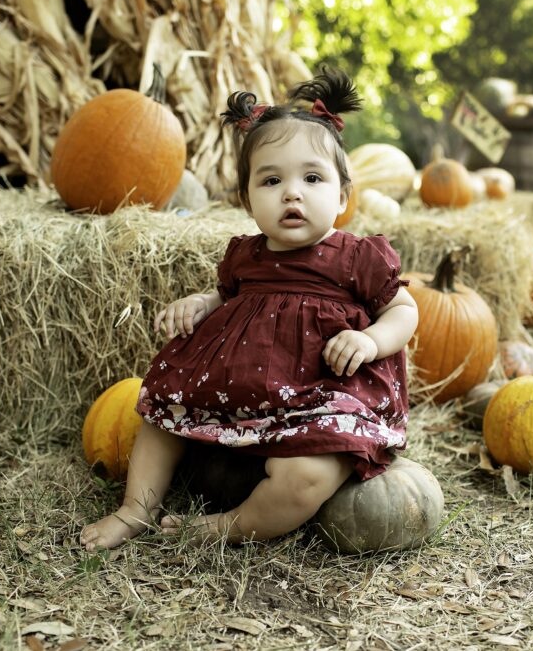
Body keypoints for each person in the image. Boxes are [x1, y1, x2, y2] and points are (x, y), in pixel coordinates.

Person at [81, 68, 419, 551]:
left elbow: (405, 311)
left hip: (323, 393)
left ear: (342, 195)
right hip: (239, 387)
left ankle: (228, 526)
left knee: (306, 476)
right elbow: (227, 298)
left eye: (312, 177)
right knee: (160, 415)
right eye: (272, 180)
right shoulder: (246, 254)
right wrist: (199, 304)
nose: (292, 192)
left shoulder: (357, 257)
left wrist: (370, 340)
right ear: (247, 199)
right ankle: (136, 508)